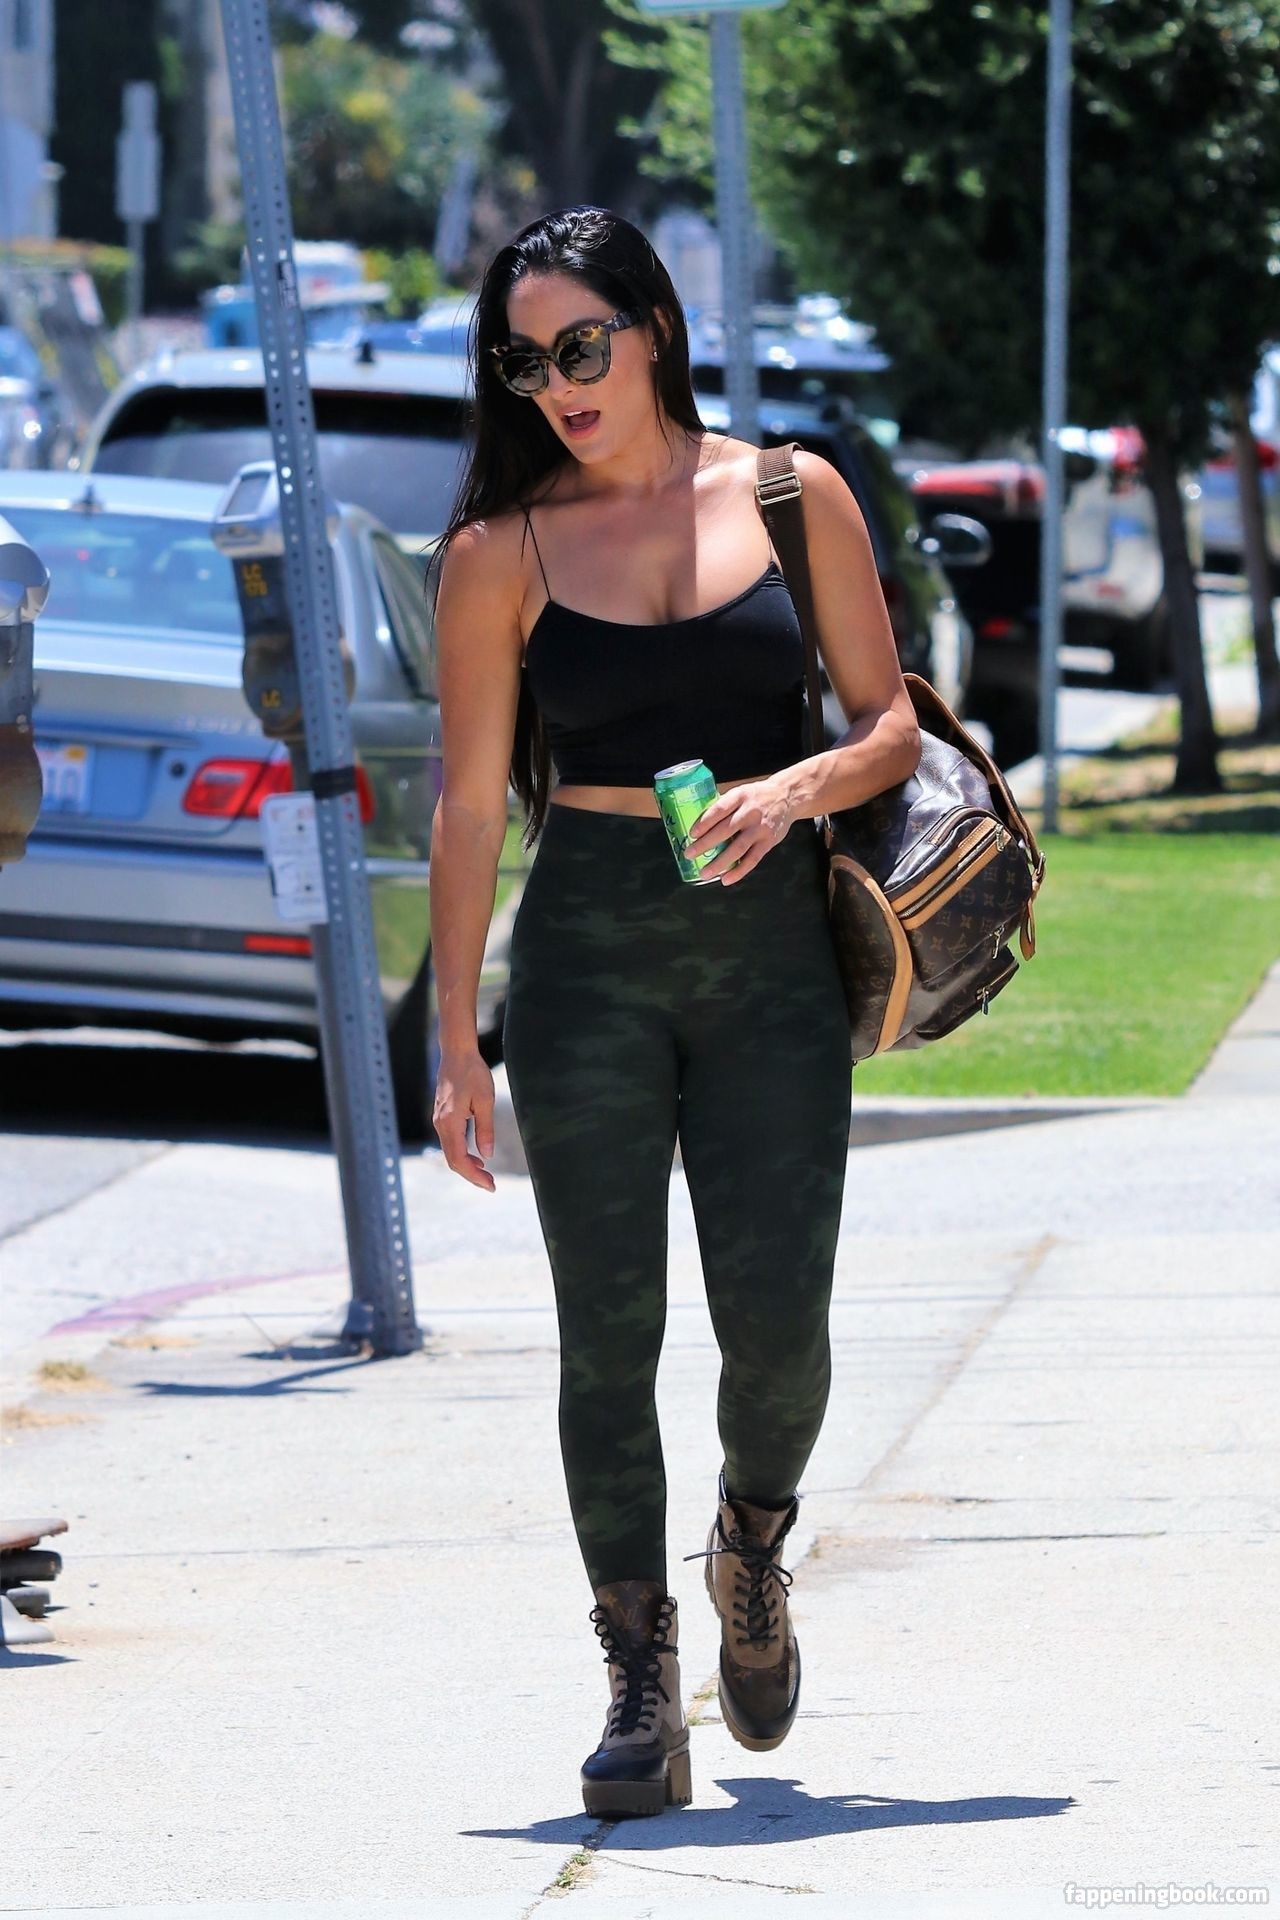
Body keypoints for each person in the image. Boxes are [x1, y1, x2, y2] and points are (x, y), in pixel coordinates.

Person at [425, 205, 920, 1819]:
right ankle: (638, 1676)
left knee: (782, 1332)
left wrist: (792, 790)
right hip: (587, 960)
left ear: (652, 328)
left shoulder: (789, 496)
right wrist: (453, 1040)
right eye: (524, 362)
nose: (559, 384)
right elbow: (468, 805)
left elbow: (890, 726)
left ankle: (749, 1544)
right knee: (607, 1332)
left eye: (581, 345)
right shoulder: (499, 551)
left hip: (768, 957)